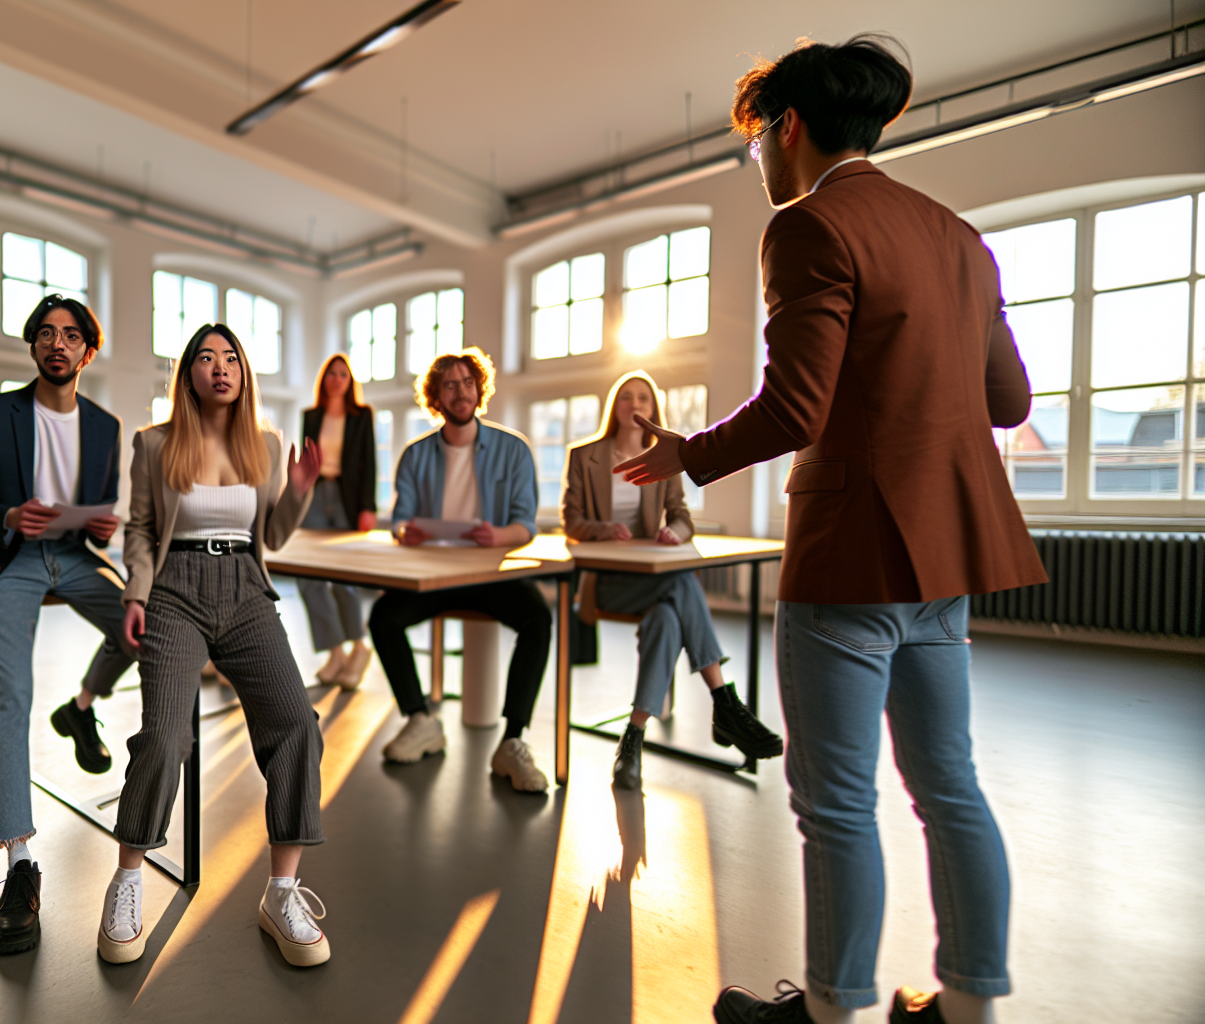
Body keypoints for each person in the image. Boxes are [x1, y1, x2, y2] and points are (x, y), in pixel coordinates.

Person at [614, 36, 1046, 1024]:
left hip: (850, 554)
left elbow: (794, 408)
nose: (758, 162)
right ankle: (969, 1008)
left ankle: (828, 1011)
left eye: (754, 142)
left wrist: (690, 453)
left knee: (839, 803)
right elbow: (1009, 397)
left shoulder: (810, 227)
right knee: (950, 787)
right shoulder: (960, 237)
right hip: (944, 562)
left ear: (787, 129)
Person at [103, 324, 328, 967]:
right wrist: (135, 596)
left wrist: (303, 485)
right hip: (174, 587)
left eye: (231, 357)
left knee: (296, 724)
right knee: (167, 737)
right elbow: (142, 529)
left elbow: (275, 535)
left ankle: (281, 892)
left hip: (246, 590)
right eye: (206, 357)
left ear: (244, 373)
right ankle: (127, 878)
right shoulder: (154, 443)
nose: (220, 367)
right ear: (188, 375)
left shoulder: (266, 442)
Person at [0, 294, 136, 956]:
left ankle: (82, 705)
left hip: (77, 557)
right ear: (33, 347)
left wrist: (101, 520)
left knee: (148, 625)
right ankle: (19, 862)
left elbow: (100, 503)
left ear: (89, 350)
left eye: (72, 335)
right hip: (12, 559)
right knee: (10, 697)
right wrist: (5, 516)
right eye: (46, 334)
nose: (58, 344)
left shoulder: (106, 426)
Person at [562, 370, 782, 790]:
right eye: (626, 397)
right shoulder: (584, 456)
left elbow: (682, 516)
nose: (635, 405)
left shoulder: (664, 458)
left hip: (655, 580)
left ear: (653, 407)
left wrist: (674, 533)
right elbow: (571, 521)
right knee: (683, 583)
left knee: (666, 617)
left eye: (643, 398)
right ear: (616, 406)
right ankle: (725, 702)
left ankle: (633, 739)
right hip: (609, 583)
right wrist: (604, 530)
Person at [370, 348, 552, 793]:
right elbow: (400, 519)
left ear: (479, 389)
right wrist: (404, 533)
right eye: (449, 384)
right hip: (432, 576)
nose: (461, 391)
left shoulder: (513, 449)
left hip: (490, 574)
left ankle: (512, 741)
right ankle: (420, 718)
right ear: (436, 395)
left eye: (468, 382)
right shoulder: (415, 455)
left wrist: (500, 535)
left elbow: (526, 524)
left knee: (539, 618)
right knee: (382, 617)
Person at [298, 353, 378, 688]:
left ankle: (359, 646)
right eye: (331, 373)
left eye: (343, 374)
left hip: (347, 500)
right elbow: (306, 460)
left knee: (344, 579)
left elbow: (369, 461)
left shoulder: (362, 416)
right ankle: (336, 652)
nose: (337, 379)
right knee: (309, 578)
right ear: (324, 379)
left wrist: (368, 506)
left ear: (350, 381)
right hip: (316, 497)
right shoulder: (311, 416)